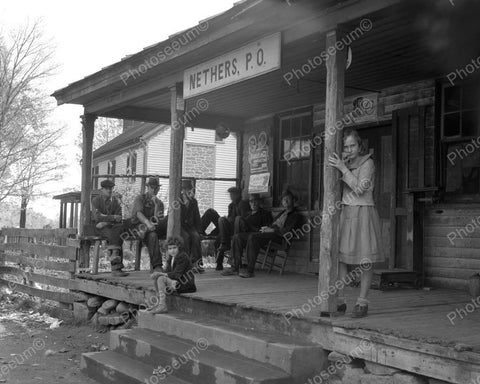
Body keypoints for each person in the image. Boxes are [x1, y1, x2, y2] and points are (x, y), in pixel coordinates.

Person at [328, 129, 384, 318]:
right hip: (346, 211)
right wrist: (341, 166)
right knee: (342, 258)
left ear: (360, 146)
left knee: (365, 259)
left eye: (352, 145)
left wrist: (343, 169)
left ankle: (362, 302)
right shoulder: (344, 163)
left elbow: (361, 188)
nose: (349, 149)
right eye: (346, 146)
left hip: (363, 212)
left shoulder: (368, 163)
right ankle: (341, 299)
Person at [238, 190, 303, 278]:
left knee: (253, 237)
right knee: (241, 236)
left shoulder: (295, 215)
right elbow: (273, 224)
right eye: (284, 200)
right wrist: (266, 228)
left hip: (280, 237)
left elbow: (288, 231)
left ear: (293, 201)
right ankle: (237, 267)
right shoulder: (282, 213)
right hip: (270, 234)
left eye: (288, 199)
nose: (286, 201)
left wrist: (272, 230)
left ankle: (250, 271)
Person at [222, 193, 273, 276]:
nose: (253, 203)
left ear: (259, 202)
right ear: (249, 203)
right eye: (251, 201)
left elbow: (266, 228)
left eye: (255, 201)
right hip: (246, 234)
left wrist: (252, 227)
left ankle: (250, 271)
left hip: (258, 236)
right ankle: (235, 268)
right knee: (236, 236)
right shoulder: (247, 214)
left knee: (243, 228)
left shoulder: (265, 214)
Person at [201, 186, 250, 270]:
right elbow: (230, 218)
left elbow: (241, 220)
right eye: (230, 194)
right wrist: (227, 219)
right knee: (211, 212)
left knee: (221, 226)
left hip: (236, 229)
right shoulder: (231, 205)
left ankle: (222, 249)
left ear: (238, 195)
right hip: (227, 228)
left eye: (233, 194)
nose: (231, 196)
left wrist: (227, 220)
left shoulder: (242, 204)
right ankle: (202, 231)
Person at [148, 236, 196, 314]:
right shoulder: (171, 258)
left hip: (185, 284)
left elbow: (177, 274)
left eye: (174, 248)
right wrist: (159, 274)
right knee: (158, 278)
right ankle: (159, 303)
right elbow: (167, 272)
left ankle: (163, 305)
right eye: (170, 249)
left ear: (179, 247)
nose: (172, 251)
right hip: (175, 282)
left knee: (161, 278)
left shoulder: (183, 257)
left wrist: (160, 273)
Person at [91, 179, 128, 277]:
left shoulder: (116, 201)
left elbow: (119, 217)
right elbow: (97, 217)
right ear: (101, 190)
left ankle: (114, 256)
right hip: (99, 229)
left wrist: (105, 221)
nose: (109, 191)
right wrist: (112, 218)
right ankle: (116, 268)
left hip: (109, 226)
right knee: (116, 234)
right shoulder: (96, 201)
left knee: (119, 229)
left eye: (111, 188)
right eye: (107, 189)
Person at [130, 177, 166, 273]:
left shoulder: (160, 203)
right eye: (151, 188)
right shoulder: (140, 198)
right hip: (139, 226)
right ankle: (157, 266)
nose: (153, 190)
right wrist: (147, 223)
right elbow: (138, 214)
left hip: (152, 228)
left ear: (158, 189)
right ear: (148, 187)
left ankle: (160, 266)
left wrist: (157, 206)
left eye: (156, 188)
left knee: (153, 234)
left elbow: (157, 220)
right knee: (151, 233)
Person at [179, 180, 204, 272]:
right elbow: (178, 217)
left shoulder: (194, 201)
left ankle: (198, 264)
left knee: (196, 237)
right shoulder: (178, 201)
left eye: (190, 189)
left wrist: (199, 231)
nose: (189, 191)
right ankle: (186, 265)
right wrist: (185, 205)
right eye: (186, 189)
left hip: (190, 226)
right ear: (183, 190)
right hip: (180, 226)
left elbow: (197, 217)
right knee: (186, 238)